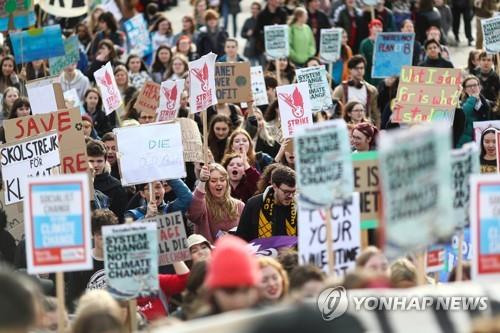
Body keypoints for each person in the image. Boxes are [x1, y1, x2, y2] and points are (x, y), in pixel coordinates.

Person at [67, 209, 118, 311]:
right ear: (93, 235)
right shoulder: (82, 263)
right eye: (100, 234)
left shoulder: (119, 260)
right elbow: (73, 298)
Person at [202, 235, 261, 315]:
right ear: (213, 291)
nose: (239, 301)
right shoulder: (199, 325)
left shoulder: (274, 323)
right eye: (230, 291)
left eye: (246, 290)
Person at [237, 165, 297, 241]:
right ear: (275, 186)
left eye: (293, 192)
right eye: (286, 192)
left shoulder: (299, 207)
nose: (290, 196)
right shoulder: (254, 204)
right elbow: (241, 238)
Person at [187, 164, 245, 243]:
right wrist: (202, 181)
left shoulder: (240, 206)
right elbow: (193, 214)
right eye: (213, 181)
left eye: (222, 180)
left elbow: (246, 235)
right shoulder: (202, 206)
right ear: (207, 185)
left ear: (227, 182)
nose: (219, 183)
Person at [332, 55, 380, 128]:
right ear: (350, 70)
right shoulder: (341, 89)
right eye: (356, 68)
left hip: (365, 127)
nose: (359, 71)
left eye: (361, 68)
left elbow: (375, 113)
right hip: (346, 126)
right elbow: (332, 110)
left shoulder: (371, 90)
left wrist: (377, 129)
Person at [87, 140, 128, 222]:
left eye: (99, 161)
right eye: (91, 161)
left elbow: (120, 219)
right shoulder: (80, 185)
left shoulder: (116, 187)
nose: (95, 165)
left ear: (105, 161)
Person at [456, 76, 495, 148]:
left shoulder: (487, 103)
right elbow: (463, 114)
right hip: (465, 144)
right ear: (464, 90)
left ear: (479, 87)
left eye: (475, 85)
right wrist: (472, 98)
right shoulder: (461, 105)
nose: (473, 88)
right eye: (469, 86)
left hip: (484, 143)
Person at [124, 179, 193, 220]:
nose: (155, 191)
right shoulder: (131, 215)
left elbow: (187, 197)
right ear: (142, 194)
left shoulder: (171, 210)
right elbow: (129, 233)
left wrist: (169, 176)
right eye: (150, 188)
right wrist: (146, 218)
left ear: (164, 189)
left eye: (158, 187)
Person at [254, 0, 288, 64]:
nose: (278, 1)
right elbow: (257, 32)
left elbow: (285, 30)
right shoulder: (261, 15)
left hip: (280, 48)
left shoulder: (283, 13)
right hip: (265, 49)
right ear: (269, 1)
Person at [359, 19, 383, 86]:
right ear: (370, 29)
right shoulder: (365, 43)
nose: (378, 29)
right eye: (375, 27)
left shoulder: (385, 43)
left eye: (380, 27)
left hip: (381, 75)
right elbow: (362, 61)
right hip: (369, 75)